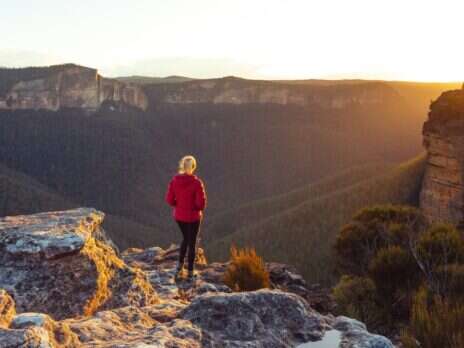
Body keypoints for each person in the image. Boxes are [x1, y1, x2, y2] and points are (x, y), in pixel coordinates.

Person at [165, 155, 207, 280]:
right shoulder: (196, 183)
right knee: (192, 242)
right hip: (193, 217)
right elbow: (201, 204)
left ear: (182, 167)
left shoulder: (174, 181)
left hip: (179, 217)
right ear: (193, 167)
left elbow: (169, 200)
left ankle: (179, 266)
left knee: (185, 239)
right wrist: (194, 208)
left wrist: (179, 205)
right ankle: (190, 272)